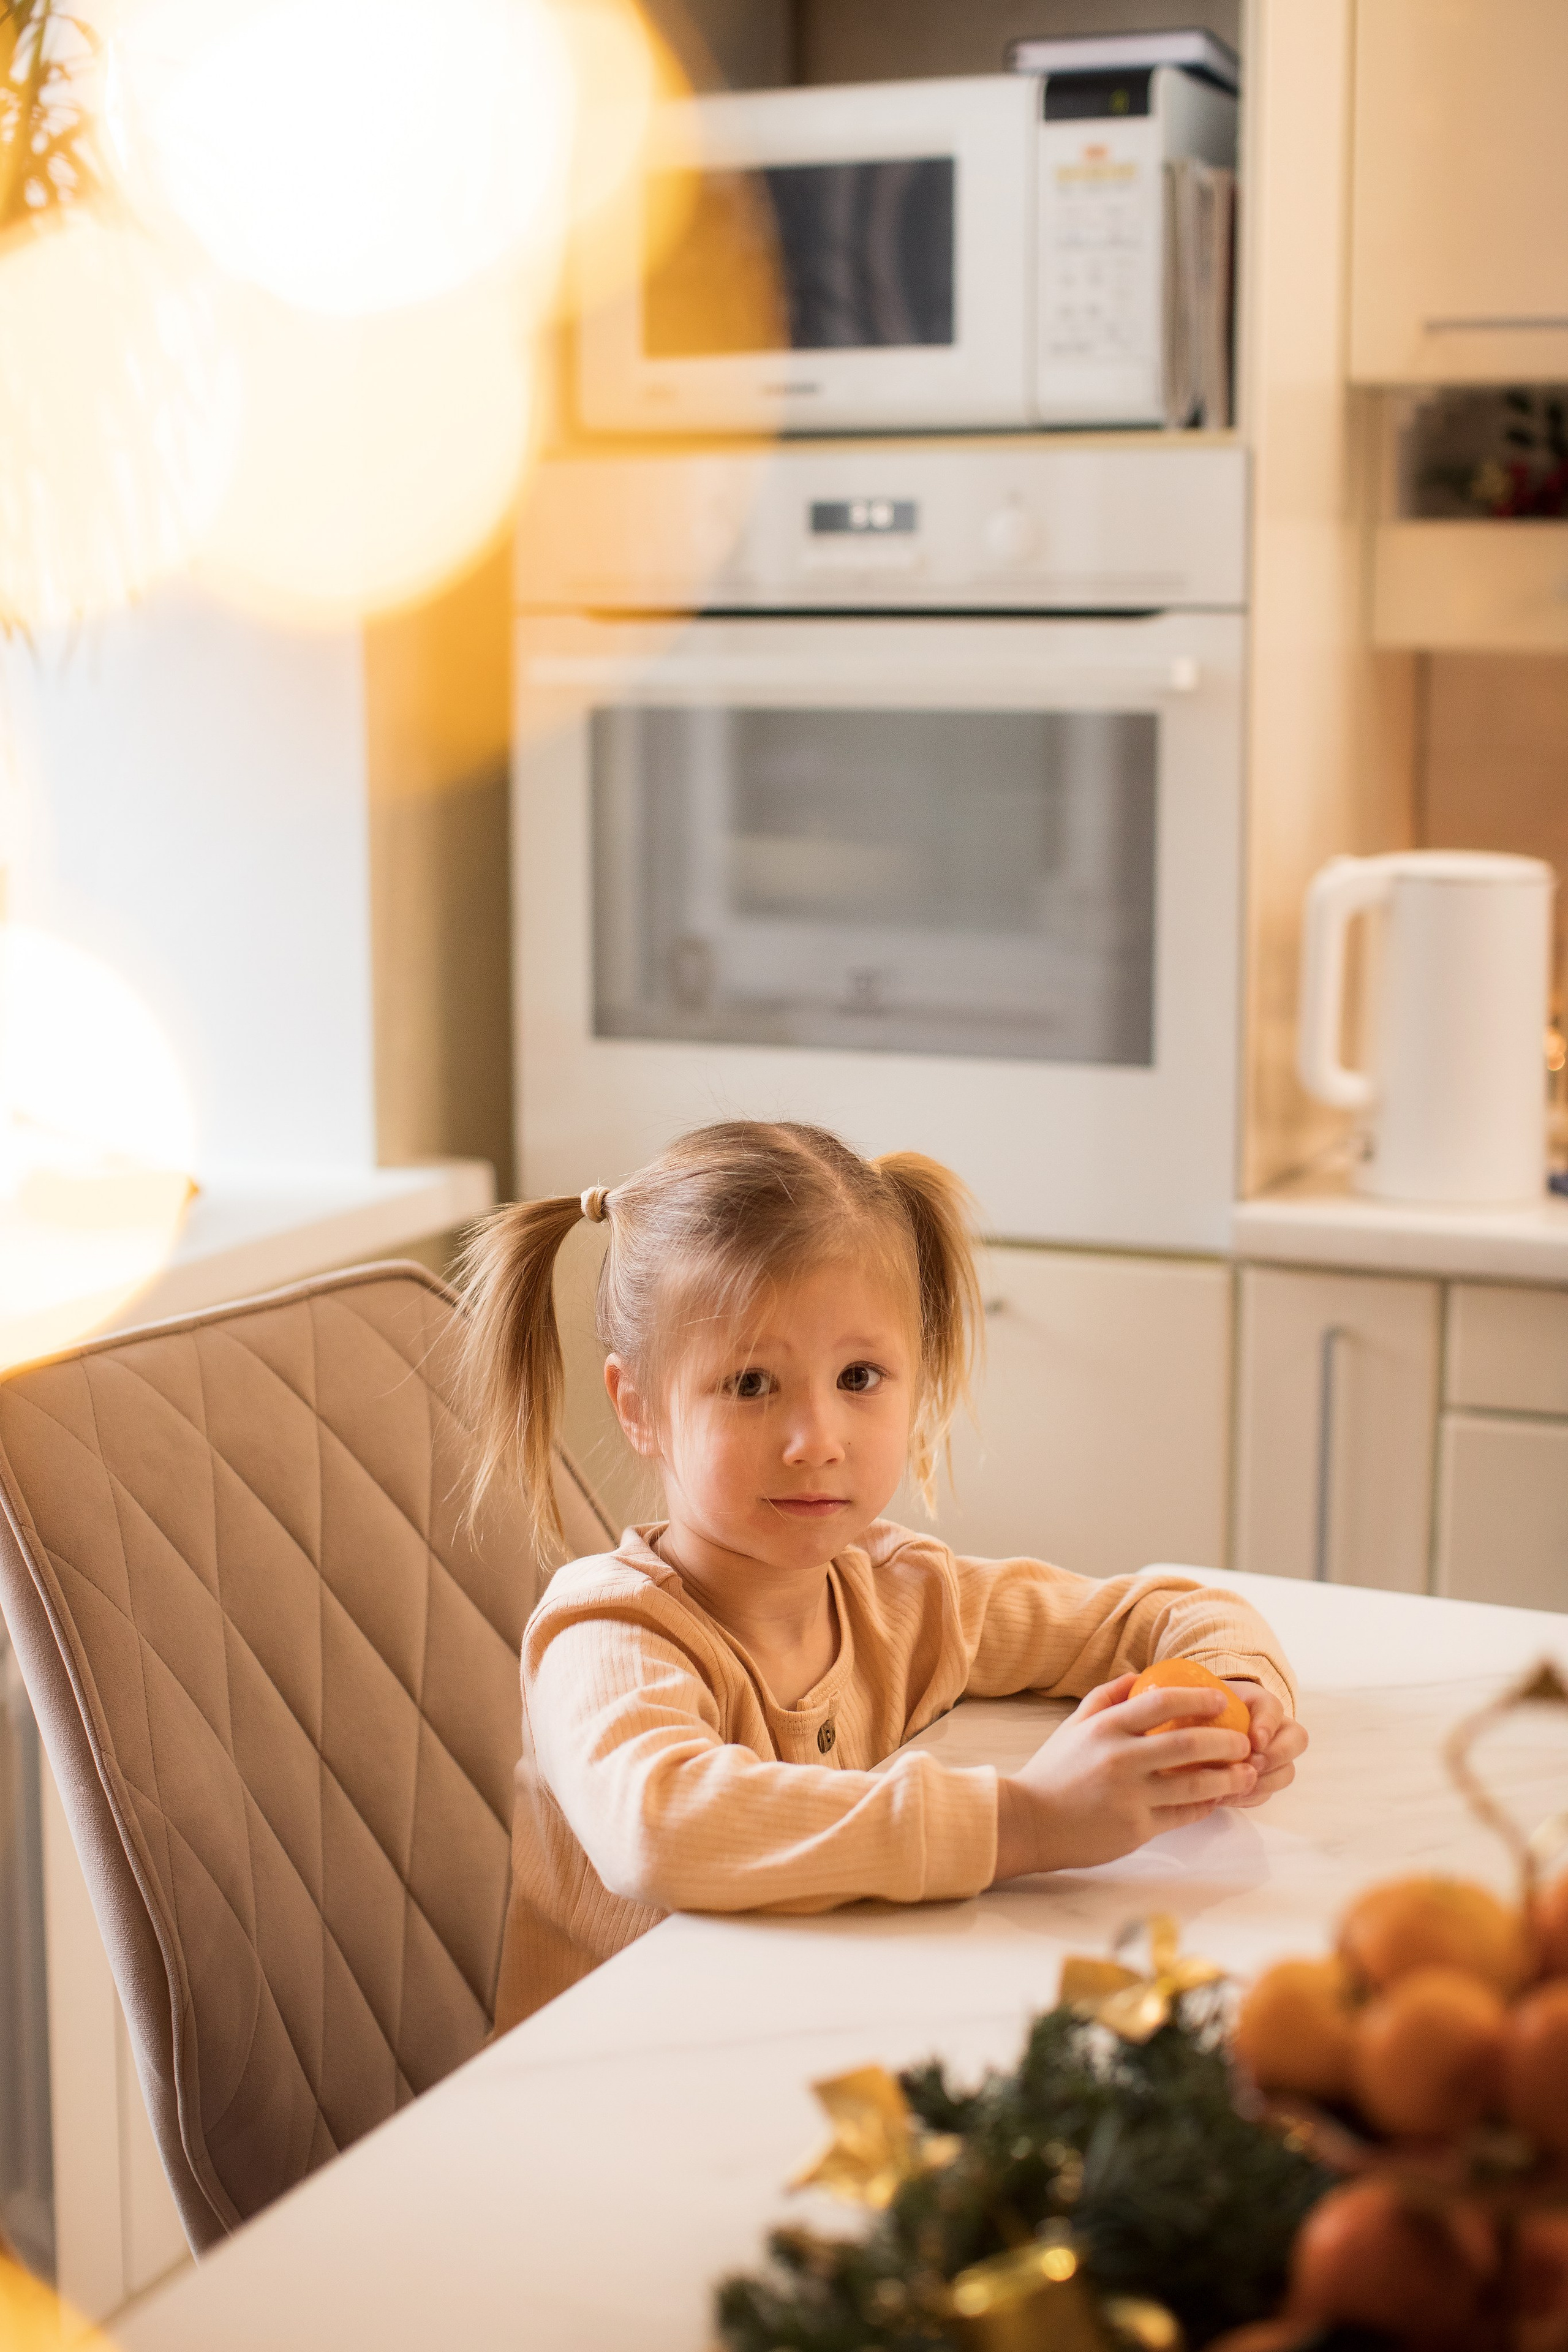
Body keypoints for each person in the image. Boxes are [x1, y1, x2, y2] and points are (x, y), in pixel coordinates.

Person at [456, 1121, 1307, 2034]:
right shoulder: (608, 1631)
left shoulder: (904, 1596)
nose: (817, 1439)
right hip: (616, 2097)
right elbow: (661, 1827)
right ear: (640, 1407)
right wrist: (1025, 1822)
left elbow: (1169, 1613)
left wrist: (1237, 1695)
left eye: (860, 1375)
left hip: (824, 2047)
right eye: (751, 1385)